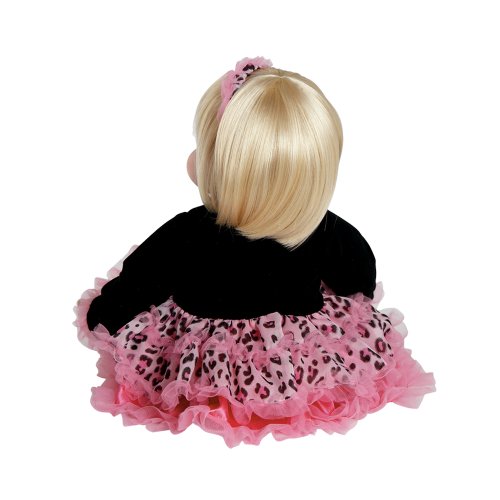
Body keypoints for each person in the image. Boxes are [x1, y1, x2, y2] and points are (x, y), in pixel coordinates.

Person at [74, 57, 436, 448]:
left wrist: (104, 314)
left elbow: (140, 282)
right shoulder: (326, 230)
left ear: (219, 168)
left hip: (204, 371)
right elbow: (358, 278)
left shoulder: (187, 233)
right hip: (296, 366)